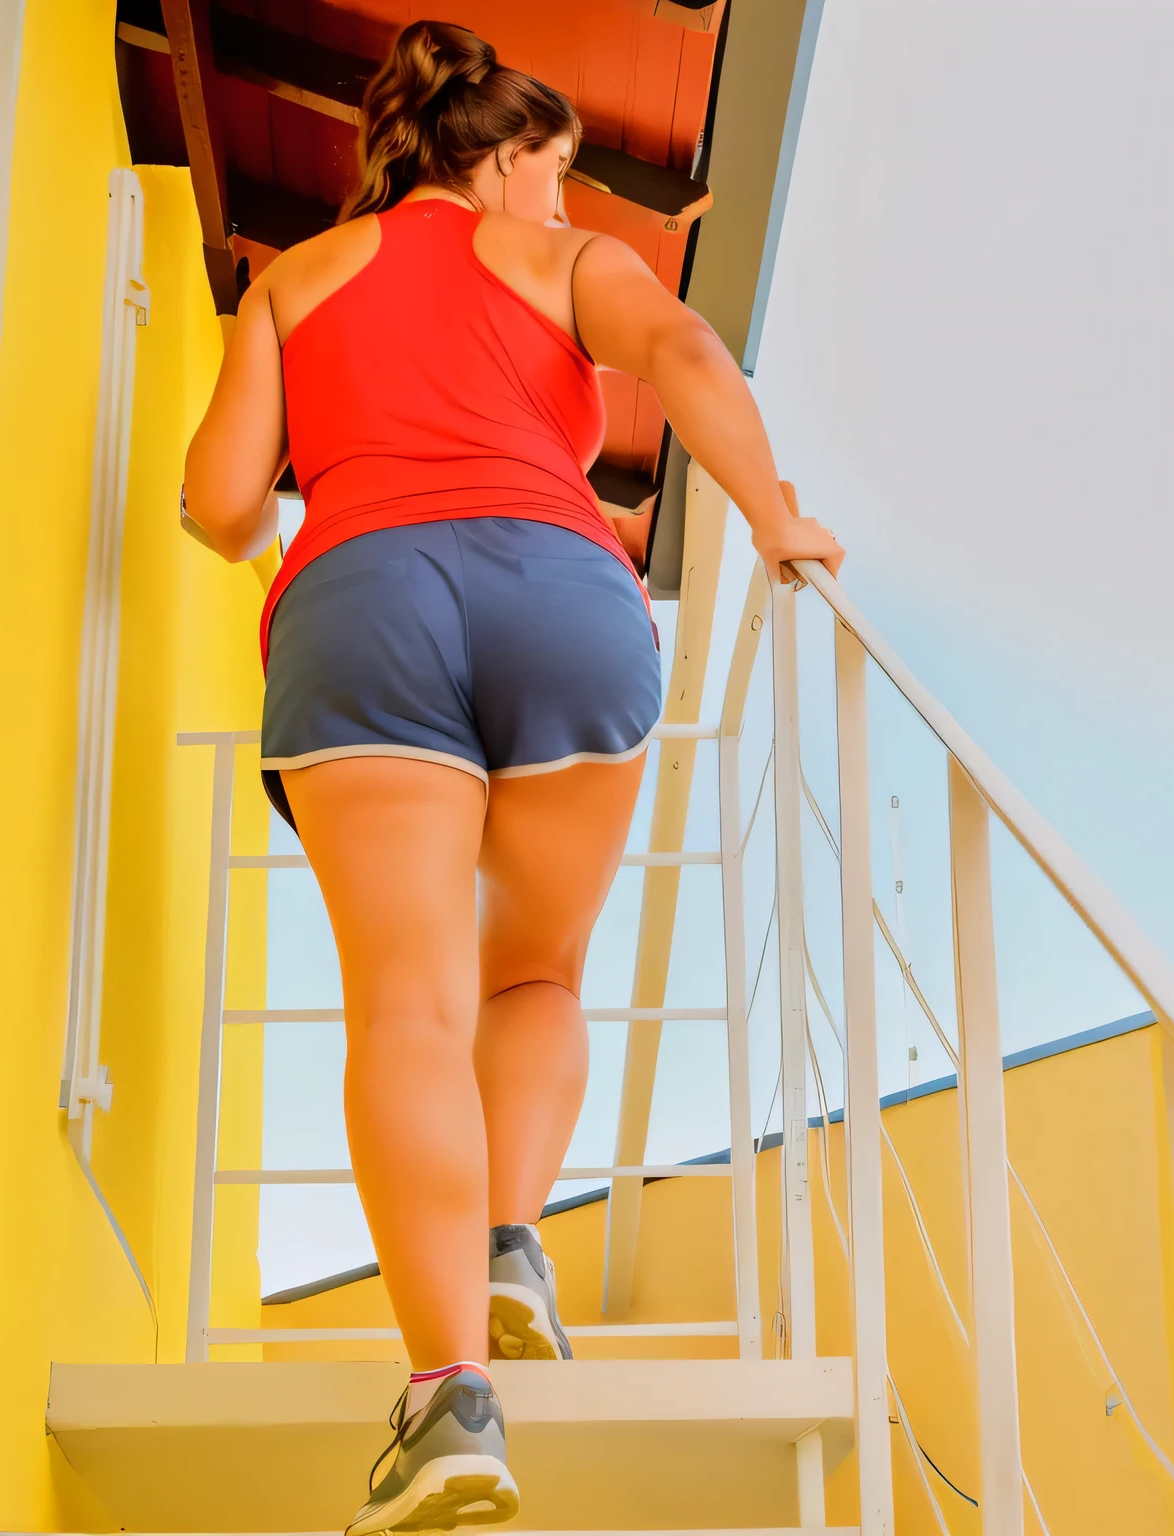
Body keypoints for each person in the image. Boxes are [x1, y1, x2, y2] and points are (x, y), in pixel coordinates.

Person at [183, 19, 844, 1533]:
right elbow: (684, 352)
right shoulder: (563, 265)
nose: (563, 200)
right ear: (496, 163)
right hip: (562, 587)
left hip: (360, 599)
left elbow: (221, 505)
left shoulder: (287, 282)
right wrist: (774, 516)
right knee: (534, 975)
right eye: (553, 175)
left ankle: (447, 1401)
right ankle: (503, 1237)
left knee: (406, 1000)